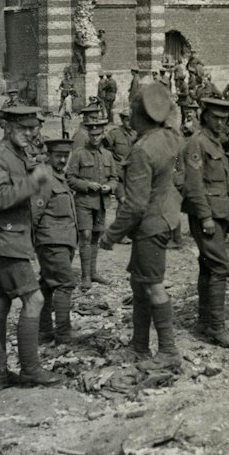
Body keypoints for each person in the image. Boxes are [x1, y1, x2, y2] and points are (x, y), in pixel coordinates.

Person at [101, 82, 184, 368]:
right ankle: (139, 347)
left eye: (133, 110)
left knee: (152, 287)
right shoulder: (171, 136)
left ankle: (168, 351)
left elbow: (134, 205)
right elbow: (173, 117)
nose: (128, 116)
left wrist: (111, 235)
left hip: (150, 224)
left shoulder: (142, 151)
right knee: (139, 284)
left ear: (141, 115)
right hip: (166, 218)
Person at [0, 104, 59, 389]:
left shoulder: (15, 154)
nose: (29, 134)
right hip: (4, 241)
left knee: (1, 303)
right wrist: (33, 181)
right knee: (34, 300)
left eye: (32, 129)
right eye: (22, 128)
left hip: (4, 240)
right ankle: (31, 370)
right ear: (6, 127)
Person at [183, 96, 229, 348]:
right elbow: (194, 185)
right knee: (220, 267)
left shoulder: (215, 142)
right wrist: (204, 215)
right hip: (208, 215)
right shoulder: (197, 142)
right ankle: (217, 327)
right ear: (205, 117)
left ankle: (205, 322)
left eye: (224, 119)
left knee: (208, 266)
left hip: (220, 213)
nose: (220, 123)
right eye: (216, 118)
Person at [66, 105, 120, 288]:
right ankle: (86, 276)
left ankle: (94, 272)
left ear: (103, 134)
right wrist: (88, 185)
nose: (95, 138)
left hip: (101, 202)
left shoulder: (108, 155)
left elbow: (115, 178)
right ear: (88, 135)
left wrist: (109, 187)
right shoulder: (79, 154)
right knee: (86, 236)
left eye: (98, 135)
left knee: (96, 236)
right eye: (92, 135)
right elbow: (70, 178)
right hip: (84, 202)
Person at [32, 137, 79, 346]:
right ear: (48, 156)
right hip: (51, 241)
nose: (62, 160)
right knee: (65, 284)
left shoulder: (58, 177)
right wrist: (34, 242)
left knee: (48, 285)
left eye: (65, 156)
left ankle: (43, 331)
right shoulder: (45, 179)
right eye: (58, 156)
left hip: (62, 240)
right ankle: (63, 336)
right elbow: (34, 213)